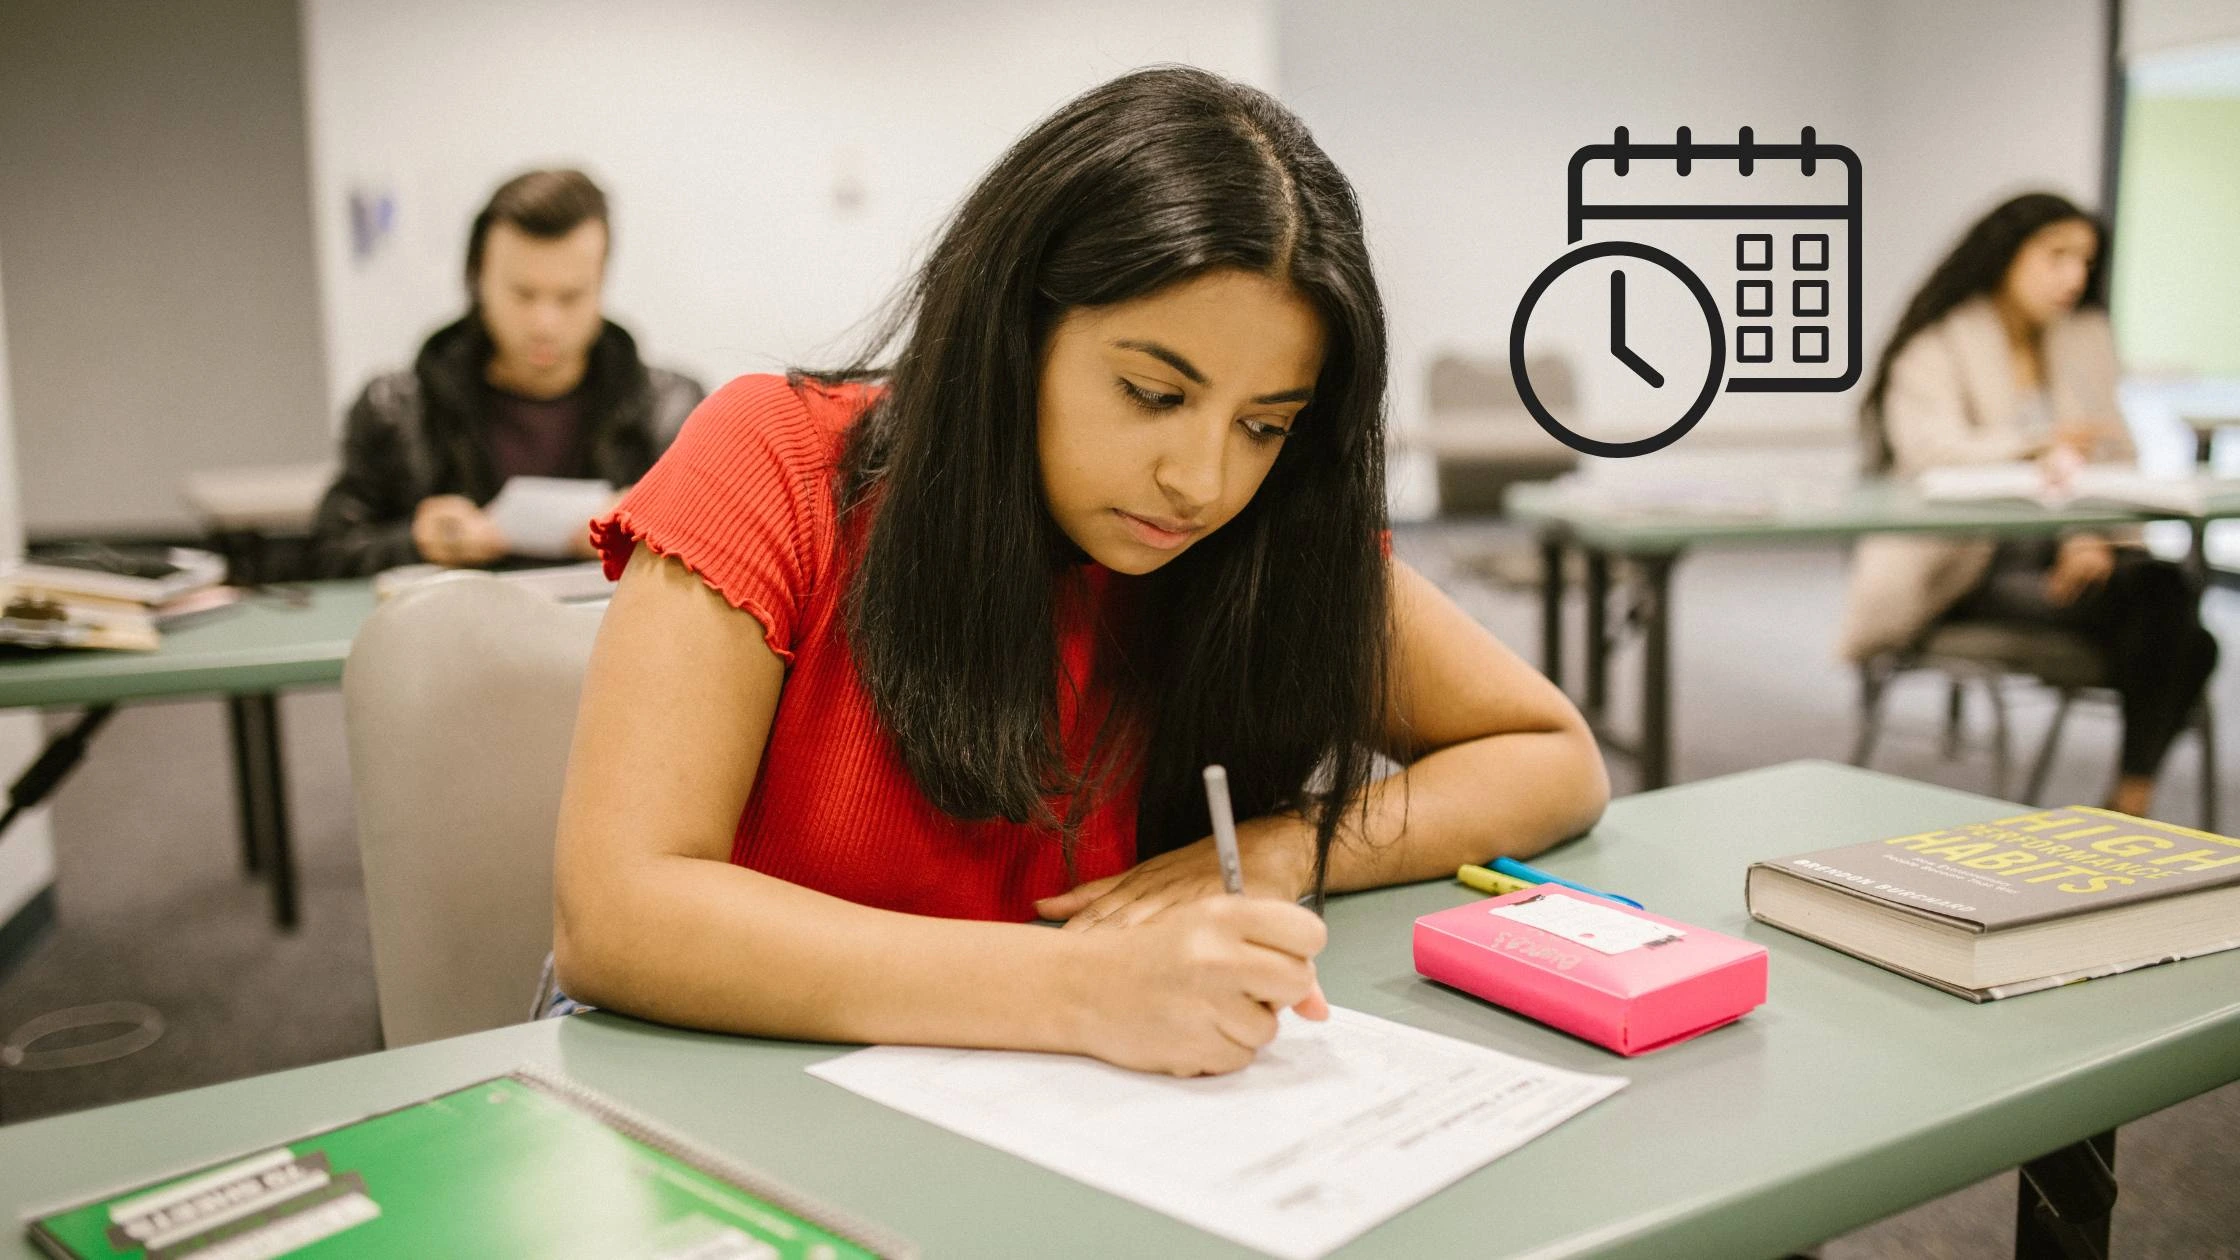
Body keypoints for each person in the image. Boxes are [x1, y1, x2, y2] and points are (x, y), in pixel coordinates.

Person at [550, 68, 1609, 1077]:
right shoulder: (776, 460)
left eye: (1263, 424)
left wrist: (1288, 851)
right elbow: (618, 917)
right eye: (1153, 394)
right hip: (738, 1096)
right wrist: (1077, 987)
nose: (1200, 482)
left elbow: (1549, 756)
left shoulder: (1266, 536)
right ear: (1014, 329)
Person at [1839, 191, 2218, 818]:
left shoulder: (2084, 339)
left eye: (2085, 263)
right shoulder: (1939, 342)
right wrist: (2032, 444)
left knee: (2168, 605)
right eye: (2056, 257)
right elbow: (1928, 456)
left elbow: (2110, 458)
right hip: (1966, 563)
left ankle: (2129, 799)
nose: (2074, 277)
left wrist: (2089, 537)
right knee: (2182, 631)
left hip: (2073, 554)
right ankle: (2129, 805)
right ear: (2005, 256)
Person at [309, 169, 704, 577]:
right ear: (478, 280)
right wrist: (415, 542)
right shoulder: (396, 408)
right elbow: (326, 556)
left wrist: (644, 533)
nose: (544, 322)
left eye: (570, 296)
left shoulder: (671, 409)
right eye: (523, 294)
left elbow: (726, 558)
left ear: (601, 284)